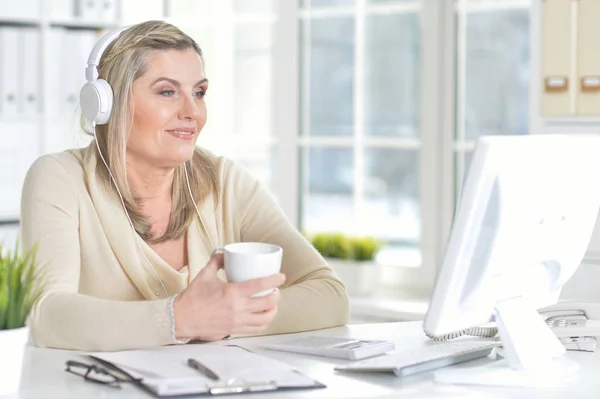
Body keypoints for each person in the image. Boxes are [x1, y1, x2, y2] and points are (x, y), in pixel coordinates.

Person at [20, 20, 349, 351]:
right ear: (107, 103)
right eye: (167, 91)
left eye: (199, 92)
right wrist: (178, 319)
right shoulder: (60, 179)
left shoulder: (227, 183)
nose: (193, 112)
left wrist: (222, 322)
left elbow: (330, 296)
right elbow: (46, 314)